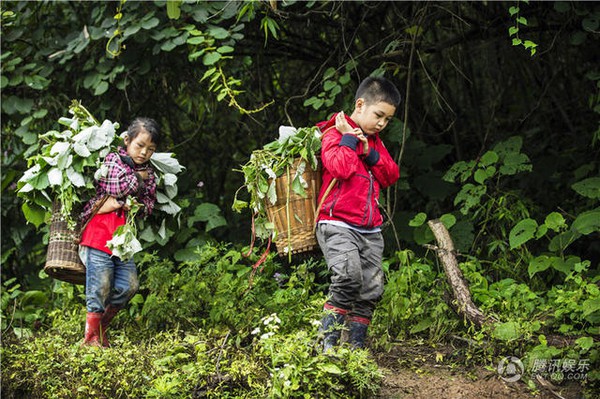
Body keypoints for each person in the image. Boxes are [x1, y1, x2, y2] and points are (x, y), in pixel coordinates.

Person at [315, 76, 401, 351]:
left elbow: (391, 175)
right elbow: (340, 168)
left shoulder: (375, 143)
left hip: (370, 228)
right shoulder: (333, 134)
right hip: (336, 223)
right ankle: (326, 346)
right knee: (348, 277)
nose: (382, 124)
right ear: (360, 104)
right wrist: (351, 140)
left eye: (387, 120)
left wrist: (369, 152)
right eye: (379, 115)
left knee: (371, 289)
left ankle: (355, 348)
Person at [79, 117, 160, 347]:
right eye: (139, 146)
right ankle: (91, 338)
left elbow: (149, 204)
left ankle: (100, 328)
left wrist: (138, 203)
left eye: (151, 149)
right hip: (98, 234)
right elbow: (118, 186)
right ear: (127, 140)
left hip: (122, 241)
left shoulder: (150, 173)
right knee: (100, 285)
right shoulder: (113, 160)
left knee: (129, 286)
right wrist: (138, 179)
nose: (144, 153)